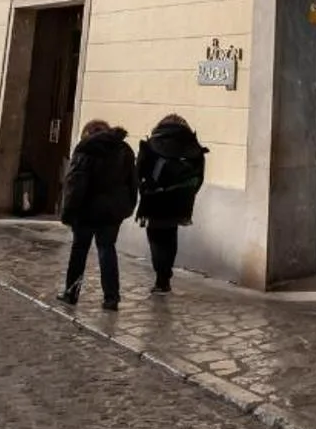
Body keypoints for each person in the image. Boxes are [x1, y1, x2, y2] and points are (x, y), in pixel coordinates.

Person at [57, 119, 137, 310]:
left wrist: (68, 213)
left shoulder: (86, 149)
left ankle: (71, 293)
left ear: (87, 134)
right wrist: (127, 207)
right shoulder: (124, 150)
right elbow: (132, 182)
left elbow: (75, 184)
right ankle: (111, 297)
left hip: (86, 210)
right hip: (112, 212)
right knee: (107, 250)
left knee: (79, 251)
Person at [134, 114, 207, 295]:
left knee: (155, 235)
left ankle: (161, 276)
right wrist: (188, 193)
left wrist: (143, 189)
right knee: (170, 235)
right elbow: (199, 177)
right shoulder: (193, 147)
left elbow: (139, 172)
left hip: (154, 197)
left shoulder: (151, 144)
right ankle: (165, 277)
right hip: (181, 200)